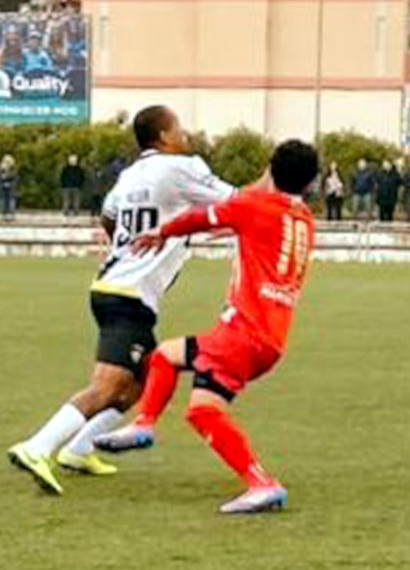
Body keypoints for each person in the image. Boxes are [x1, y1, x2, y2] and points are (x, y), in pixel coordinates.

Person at [7, 105, 235, 495]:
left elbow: (109, 216)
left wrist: (126, 248)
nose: (184, 134)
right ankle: (38, 446)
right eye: (178, 128)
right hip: (129, 296)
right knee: (107, 387)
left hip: (112, 289)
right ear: (163, 136)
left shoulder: (130, 175)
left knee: (141, 383)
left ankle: (78, 450)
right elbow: (237, 201)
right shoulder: (181, 167)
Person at [96, 140, 320, 514]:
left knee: (199, 406)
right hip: (270, 339)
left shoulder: (253, 206)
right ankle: (144, 425)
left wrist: (162, 232)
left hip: (243, 333)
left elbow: (201, 218)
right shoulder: (304, 219)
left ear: (269, 169)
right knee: (168, 359)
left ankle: (261, 483)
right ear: (310, 183)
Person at [0, 155, 19, 221]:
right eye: (5, 161)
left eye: (8, 162)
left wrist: (6, 177)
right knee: (2, 201)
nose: (6, 163)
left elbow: (14, 178)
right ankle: (3, 214)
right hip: (2, 189)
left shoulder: (14, 170)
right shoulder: (1, 169)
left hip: (11, 189)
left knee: (11, 202)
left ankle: (11, 214)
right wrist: (3, 171)